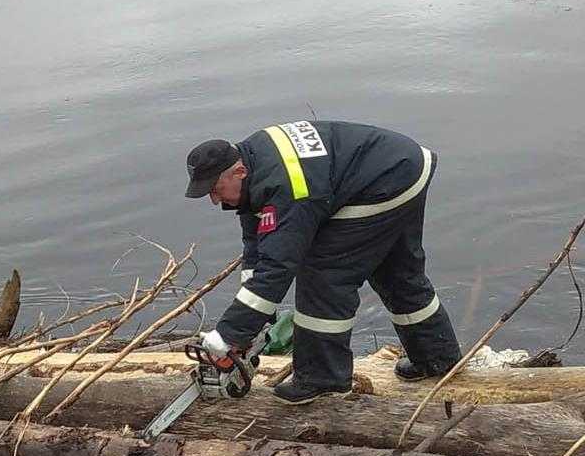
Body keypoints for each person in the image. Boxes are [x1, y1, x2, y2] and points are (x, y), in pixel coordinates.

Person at [184, 121, 461, 404]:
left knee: (324, 276)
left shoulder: (289, 189)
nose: (214, 200)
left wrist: (229, 334)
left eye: (216, 189)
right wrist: (256, 317)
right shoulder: (254, 164)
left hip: (384, 181)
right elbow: (258, 245)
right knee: (396, 272)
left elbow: (278, 266)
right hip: (401, 165)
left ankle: (323, 378)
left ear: (239, 172)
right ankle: (437, 358)